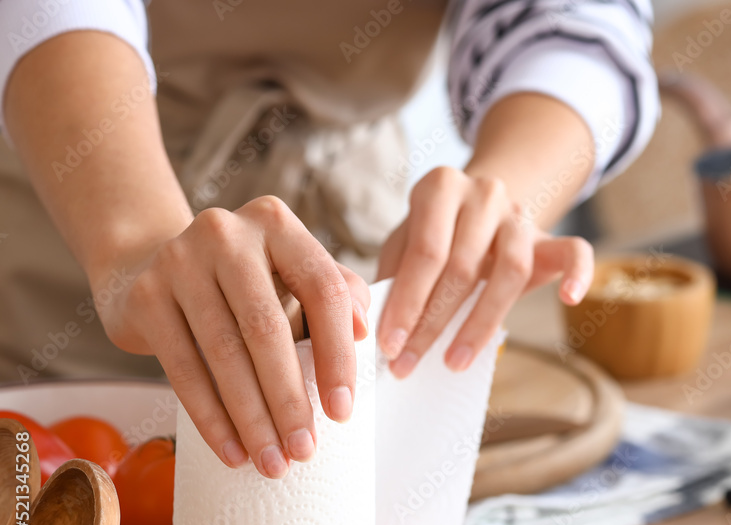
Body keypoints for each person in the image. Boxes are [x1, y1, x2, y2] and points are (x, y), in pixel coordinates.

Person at [0, 0, 658, 478]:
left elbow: (575, 19)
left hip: (345, 245)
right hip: (63, 227)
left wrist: (506, 193)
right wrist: (131, 237)